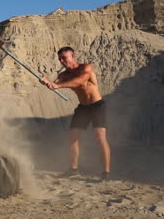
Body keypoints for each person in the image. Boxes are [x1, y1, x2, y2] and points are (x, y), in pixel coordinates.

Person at [40, 47, 111, 181]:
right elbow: (54, 85)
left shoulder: (86, 68)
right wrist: (46, 83)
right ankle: (73, 169)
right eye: (60, 59)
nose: (61, 61)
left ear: (73, 56)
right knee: (72, 138)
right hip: (83, 108)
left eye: (64, 58)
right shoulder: (64, 75)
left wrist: (57, 86)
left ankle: (106, 172)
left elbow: (80, 81)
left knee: (100, 136)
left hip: (97, 106)